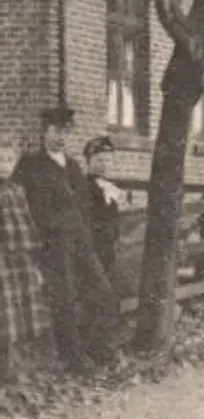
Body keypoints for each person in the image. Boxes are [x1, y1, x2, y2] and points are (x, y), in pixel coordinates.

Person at [10, 105, 119, 373]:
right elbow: (21, 203)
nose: (61, 137)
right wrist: (45, 232)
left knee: (102, 289)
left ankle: (100, 350)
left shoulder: (72, 166)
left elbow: (85, 203)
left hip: (80, 240)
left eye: (66, 132)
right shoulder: (31, 165)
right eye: (56, 131)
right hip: (53, 243)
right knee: (65, 297)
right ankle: (74, 359)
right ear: (45, 131)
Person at [0, 176, 53, 381]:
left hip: (19, 257)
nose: (4, 164)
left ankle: (13, 367)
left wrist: (33, 259)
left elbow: (27, 225)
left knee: (18, 315)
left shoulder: (17, 190)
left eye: (8, 159)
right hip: (3, 255)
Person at [82, 136, 125, 277]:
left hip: (109, 249)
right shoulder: (84, 187)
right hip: (92, 249)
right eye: (99, 160)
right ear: (88, 161)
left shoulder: (111, 187)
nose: (104, 164)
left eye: (107, 160)